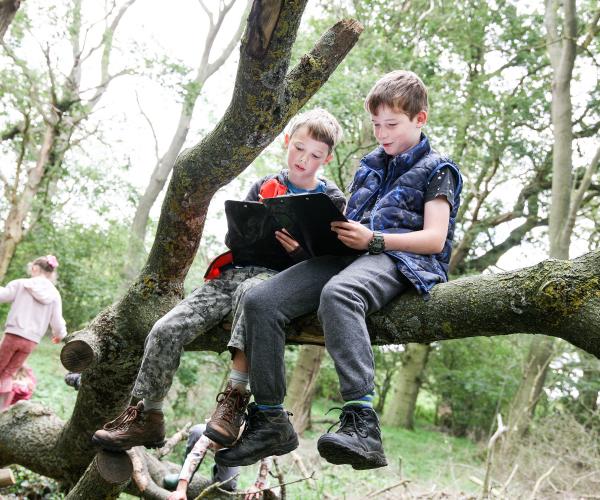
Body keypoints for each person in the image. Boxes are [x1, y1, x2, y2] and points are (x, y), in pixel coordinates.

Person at [213, 70, 463, 471]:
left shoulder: (439, 169)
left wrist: (375, 241)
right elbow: (350, 222)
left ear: (420, 119)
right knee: (260, 300)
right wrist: (309, 240)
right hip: (350, 255)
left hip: (400, 259)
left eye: (392, 124)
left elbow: (434, 239)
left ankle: (362, 424)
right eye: (376, 124)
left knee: (339, 293)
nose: (382, 133)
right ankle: (271, 419)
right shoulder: (369, 164)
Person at [92, 108, 346, 451]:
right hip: (236, 271)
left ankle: (234, 401)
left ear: (327, 159)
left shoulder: (330, 200)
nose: (304, 159)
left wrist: (299, 251)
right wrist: (245, 234)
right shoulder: (265, 185)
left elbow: (327, 261)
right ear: (287, 141)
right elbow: (241, 233)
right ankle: (145, 415)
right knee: (166, 328)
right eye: (299, 148)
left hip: (278, 282)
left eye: (315, 155)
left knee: (251, 295)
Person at [0, 255, 67, 410]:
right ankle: (2, 410)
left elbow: (3, 296)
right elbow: (57, 321)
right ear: (50, 273)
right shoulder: (54, 294)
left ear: (35, 268)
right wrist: (60, 335)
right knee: (8, 373)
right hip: (31, 342)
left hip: (13, 335)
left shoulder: (22, 284)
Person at [164, 423, 275, 500]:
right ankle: (184, 476)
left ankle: (220, 469)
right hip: (222, 429)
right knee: (197, 431)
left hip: (236, 445)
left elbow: (267, 452)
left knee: (226, 485)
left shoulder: (257, 431)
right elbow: (196, 453)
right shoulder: (219, 425)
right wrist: (181, 488)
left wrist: (258, 485)